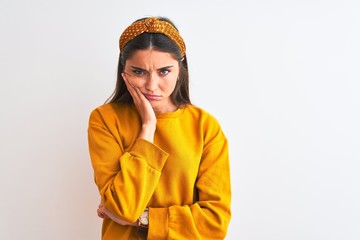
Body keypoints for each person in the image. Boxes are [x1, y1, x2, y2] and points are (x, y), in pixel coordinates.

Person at [87, 16, 232, 240]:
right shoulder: (105, 119)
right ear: (123, 71)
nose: (151, 85)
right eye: (138, 72)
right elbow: (122, 206)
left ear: (180, 68)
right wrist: (148, 127)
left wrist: (144, 219)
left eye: (164, 71)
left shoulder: (205, 126)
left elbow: (215, 222)